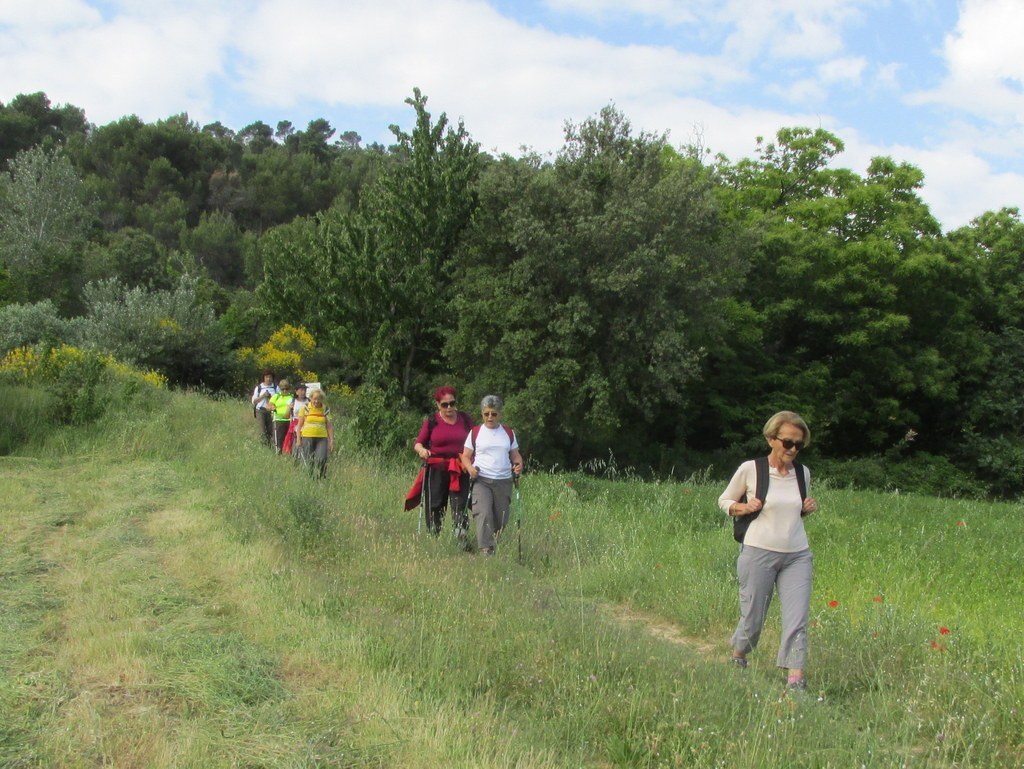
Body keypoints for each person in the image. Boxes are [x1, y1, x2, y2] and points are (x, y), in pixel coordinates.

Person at [718, 410, 818, 691]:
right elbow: (724, 500)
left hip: (797, 554)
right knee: (753, 617)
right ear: (771, 439)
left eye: (799, 444)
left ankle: (795, 679)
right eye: (788, 443)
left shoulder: (802, 473)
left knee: (797, 617)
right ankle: (739, 654)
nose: (793, 449)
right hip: (758, 552)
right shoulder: (752, 469)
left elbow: (792, 512)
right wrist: (742, 507)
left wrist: (805, 509)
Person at [460, 395, 523, 556]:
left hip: (504, 481)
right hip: (481, 480)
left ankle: (492, 544)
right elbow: (465, 456)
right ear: (482, 413)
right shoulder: (475, 432)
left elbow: (515, 454)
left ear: (499, 414)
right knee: (484, 513)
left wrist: (518, 465)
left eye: (493, 414)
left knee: (501, 518)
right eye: (486, 413)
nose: (490, 417)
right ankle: (485, 550)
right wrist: (470, 468)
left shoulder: (508, 433)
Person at [409, 386, 474, 540]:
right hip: (436, 468)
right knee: (436, 504)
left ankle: (461, 539)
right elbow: (418, 443)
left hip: (459, 468)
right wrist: (422, 451)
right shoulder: (432, 421)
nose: (449, 407)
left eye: (452, 403)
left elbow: (475, 440)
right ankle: (434, 538)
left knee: (460, 504)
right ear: (437, 404)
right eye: (445, 404)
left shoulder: (465, 419)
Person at [294, 388, 334, 479]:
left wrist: (331, 440)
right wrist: (299, 439)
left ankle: (322, 476)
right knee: (309, 460)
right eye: (314, 398)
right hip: (307, 436)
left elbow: (329, 426)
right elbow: (299, 425)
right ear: (311, 398)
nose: (316, 401)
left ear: (322, 399)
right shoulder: (305, 408)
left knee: (322, 458)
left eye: (318, 399)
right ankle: (310, 477)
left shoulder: (326, 409)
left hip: (322, 437)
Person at [251, 369, 278, 447]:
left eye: (270, 377)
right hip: (261, 410)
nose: (268, 379)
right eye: (266, 377)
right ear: (264, 378)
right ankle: (263, 446)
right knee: (262, 430)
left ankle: (270, 446)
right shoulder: (259, 388)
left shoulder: (275, 388)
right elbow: (254, 401)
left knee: (271, 430)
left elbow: (279, 399)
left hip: (272, 411)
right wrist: (263, 396)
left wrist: (271, 397)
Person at [268, 379, 294, 454]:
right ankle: (278, 453)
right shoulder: (276, 396)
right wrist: (272, 407)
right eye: (283, 389)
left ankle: (289, 453)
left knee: (289, 439)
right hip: (278, 420)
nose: (285, 391)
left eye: (287, 389)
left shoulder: (292, 397)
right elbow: (268, 405)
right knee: (279, 439)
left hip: (289, 420)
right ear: (280, 389)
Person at [281, 382, 308, 455]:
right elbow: (286, 416)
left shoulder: (309, 401)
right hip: (295, 424)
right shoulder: (292, 401)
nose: (303, 392)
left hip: (306, 424)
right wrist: (289, 409)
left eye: (304, 390)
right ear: (296, 391)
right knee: (294, 441)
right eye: (301, 390)